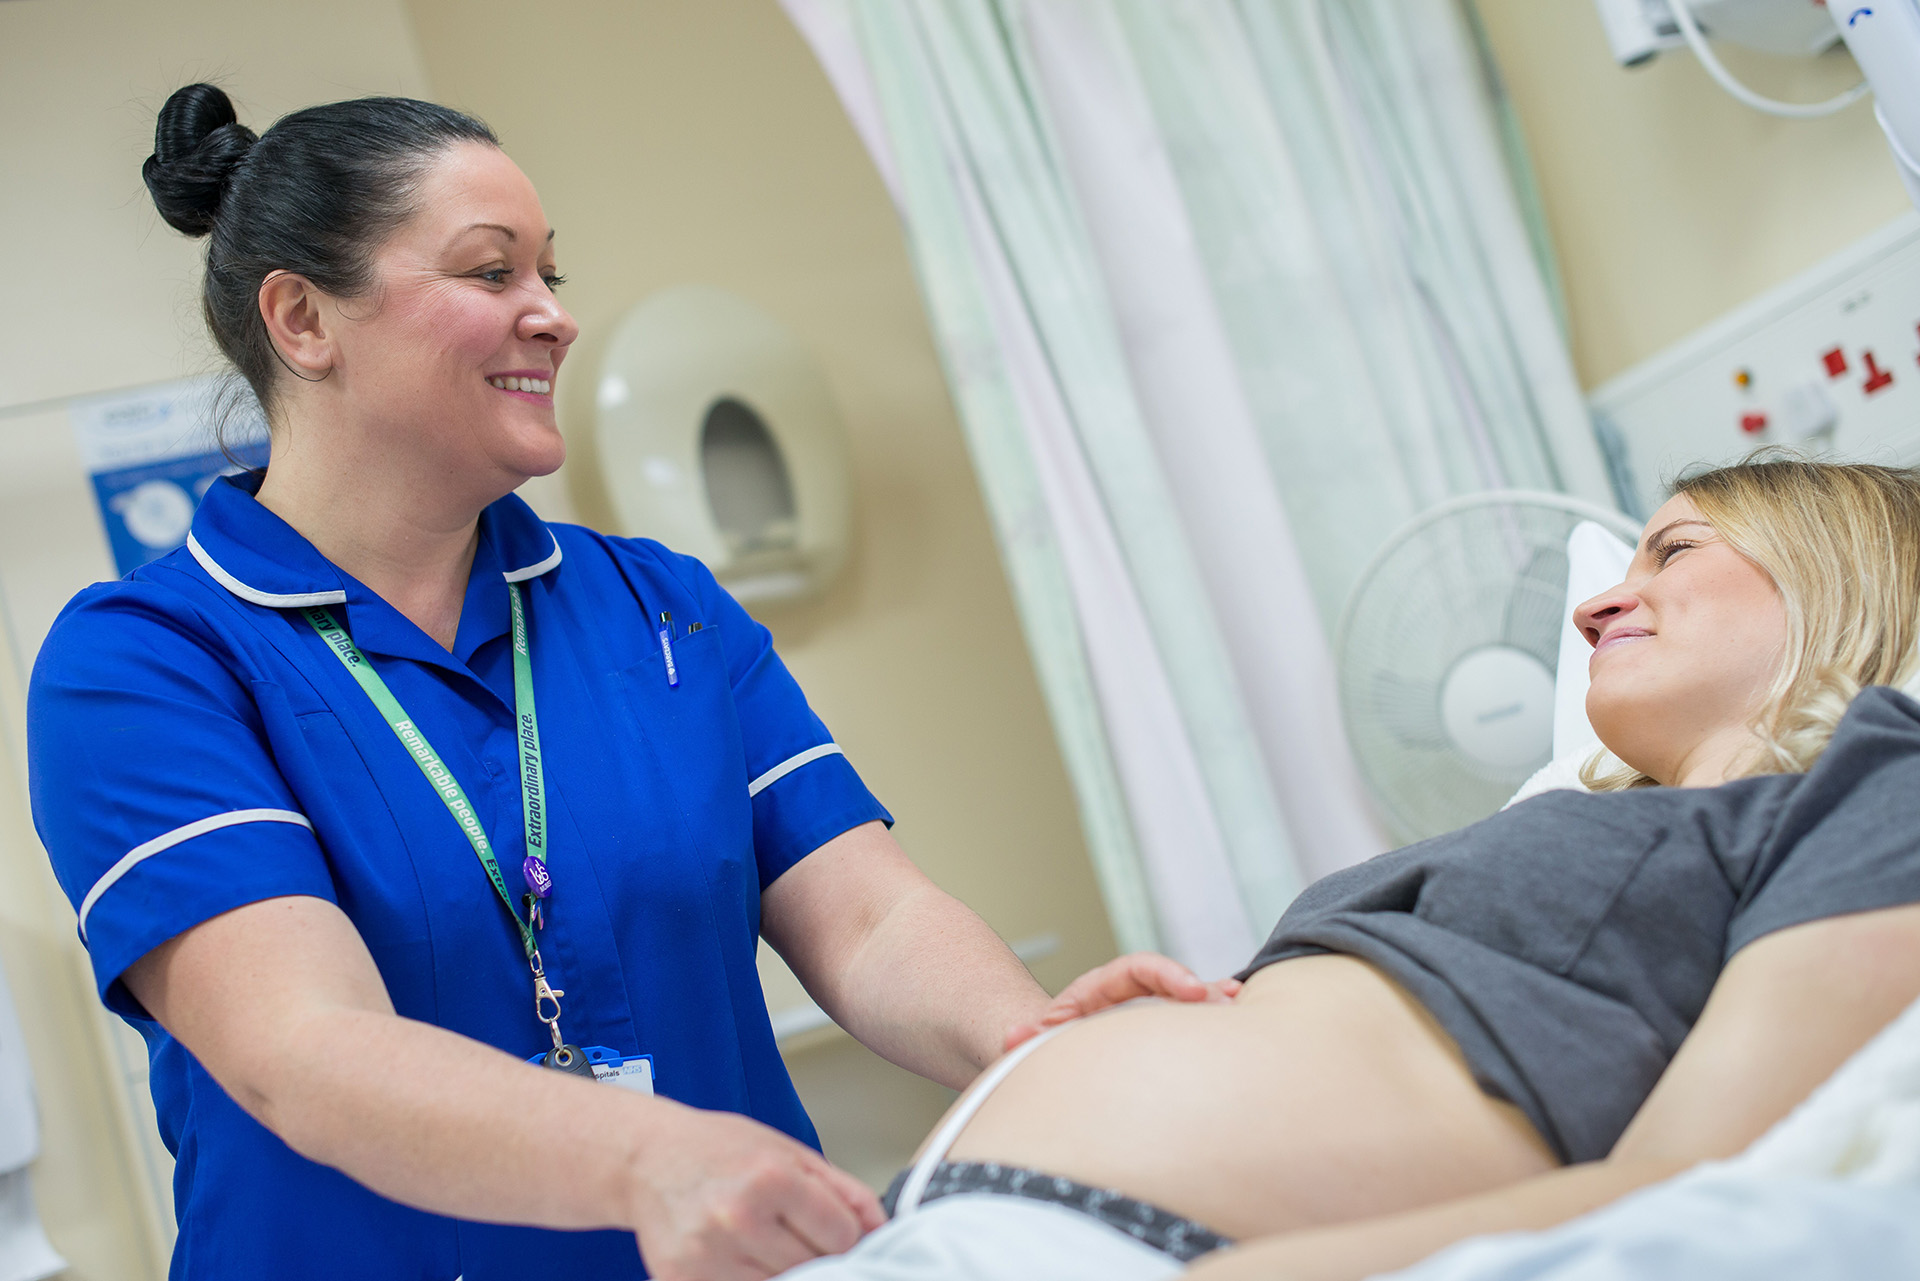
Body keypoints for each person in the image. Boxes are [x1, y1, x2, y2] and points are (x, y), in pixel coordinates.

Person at [26, 86, 1225, 1281]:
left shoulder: (658, 608)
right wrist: (648, 1160)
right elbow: (303, 1046)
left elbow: (870, 917)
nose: (552, 316)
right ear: (301, 319)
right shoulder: (148, 663)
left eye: (552, 273)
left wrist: (1033, 1042)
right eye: (492, 273)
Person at [776, 456, 1920, 1281]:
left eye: (1674, 551)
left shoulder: (1880, 791)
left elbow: (1706, 1176)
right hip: (943, 1233)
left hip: (1148, 1251)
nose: (1595, 604)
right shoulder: (1588, 818)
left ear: (1840, 577)